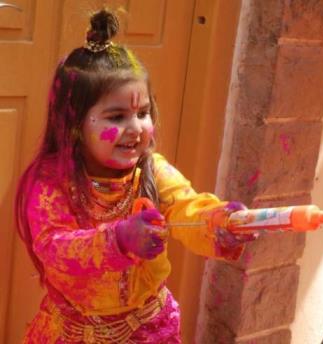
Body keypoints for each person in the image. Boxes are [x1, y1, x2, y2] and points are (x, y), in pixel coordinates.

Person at [16, 9, 259, 343]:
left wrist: (221, 223)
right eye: (116, 116)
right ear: (73, 126)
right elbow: (54, 247)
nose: (136, 128)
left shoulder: (152, 170)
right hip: (73, 333)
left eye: (143, 113)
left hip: (148, 329)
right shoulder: (52, 182)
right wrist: (118, 240)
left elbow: (188, 209)